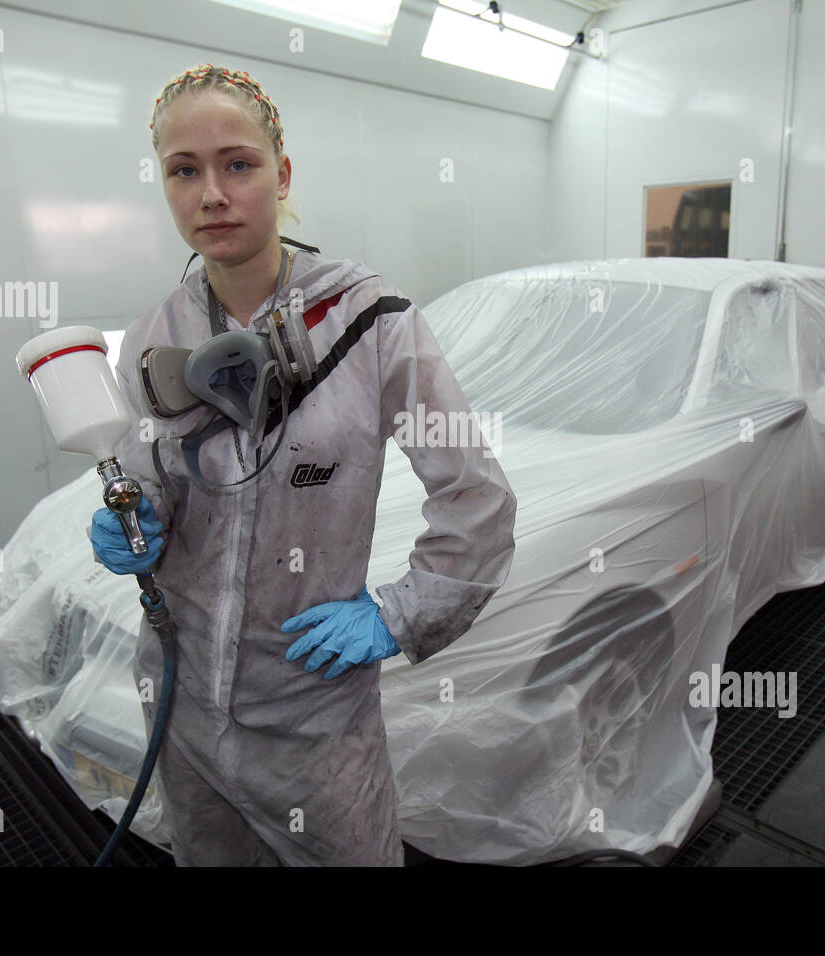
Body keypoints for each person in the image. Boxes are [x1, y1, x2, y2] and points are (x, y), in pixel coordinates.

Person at [87, 63, 517, 866]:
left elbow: (477, 500)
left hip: (311, 718)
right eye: (185, 170)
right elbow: (145, 481)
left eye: (238, 164)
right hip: (181, 701)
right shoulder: (157, 335)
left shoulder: (372, 323)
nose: (211, 193)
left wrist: (399, 614)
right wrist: (133, 523)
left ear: (280, 175)